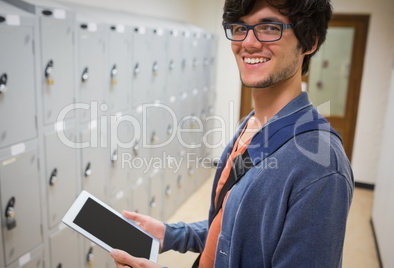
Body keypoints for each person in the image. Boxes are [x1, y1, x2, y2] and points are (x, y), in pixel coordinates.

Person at [110, 0, 354, 267]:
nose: (248, 43)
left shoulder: (320, 164)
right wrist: (171, 235)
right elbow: (235, 228)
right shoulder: (252, 126)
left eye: (269, 27)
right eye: (239, 27)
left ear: (310, 42)